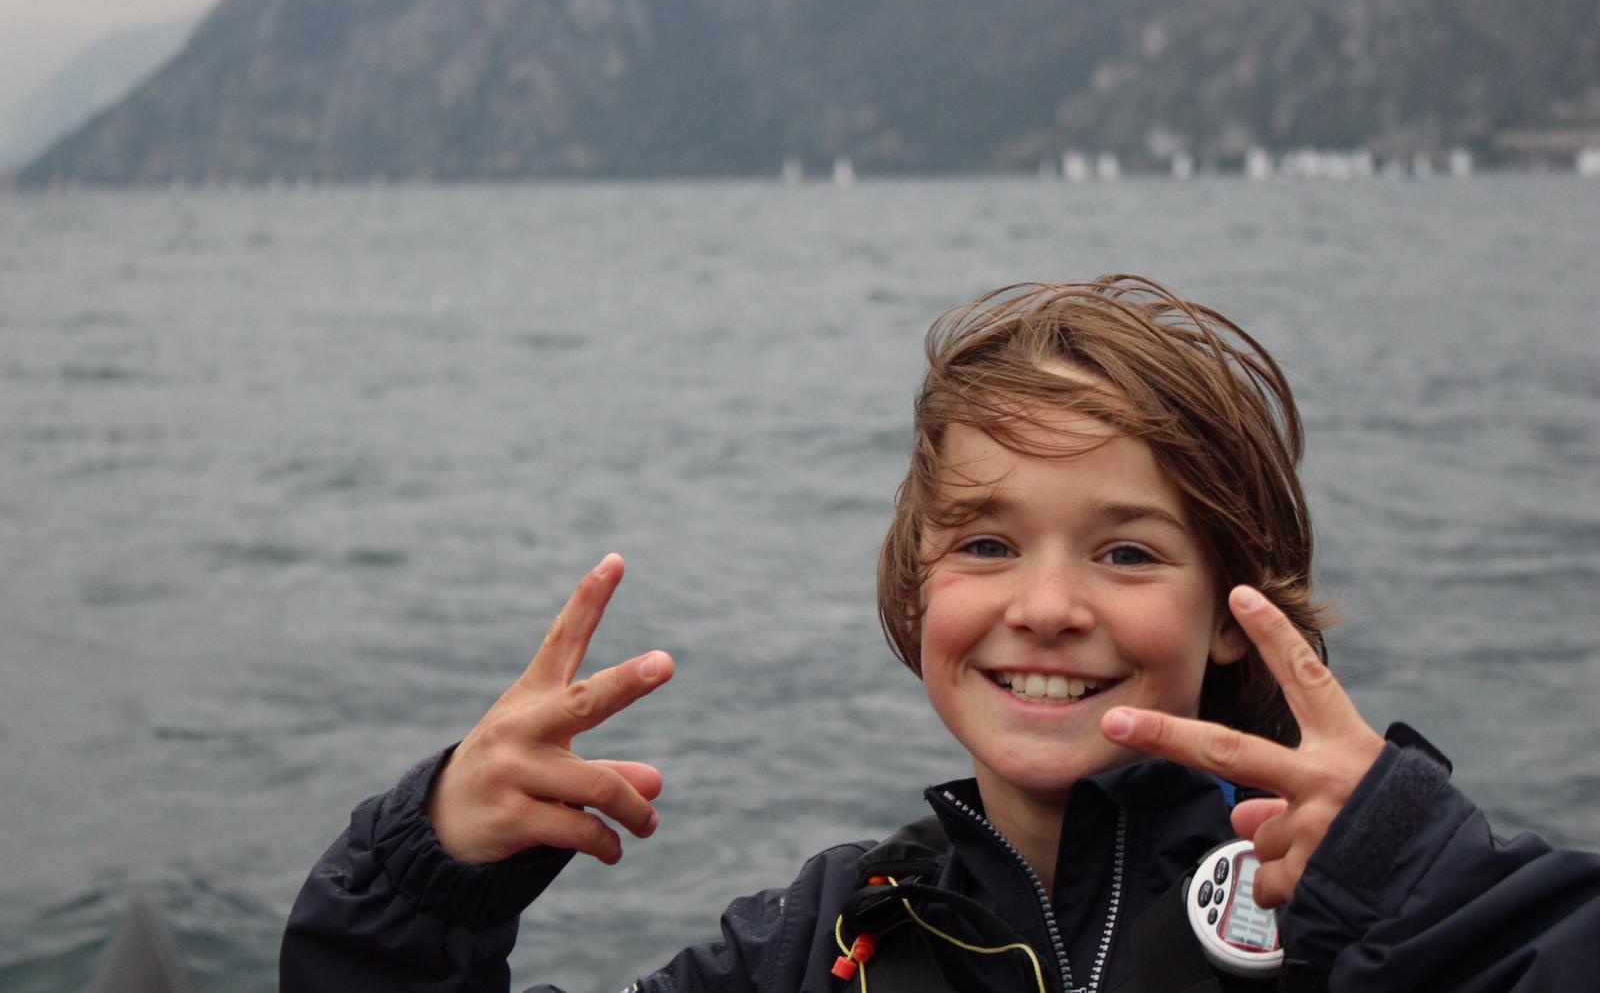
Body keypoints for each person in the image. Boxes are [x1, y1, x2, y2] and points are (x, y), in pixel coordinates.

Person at [281, 276, 1600, 992]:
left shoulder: (1361, 917)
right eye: (986, 544)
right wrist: (425, 881)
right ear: (916, 591)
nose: (1046, 604)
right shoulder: (818, 944)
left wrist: (1432, 890)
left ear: (1235, 613)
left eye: (1128, 552)